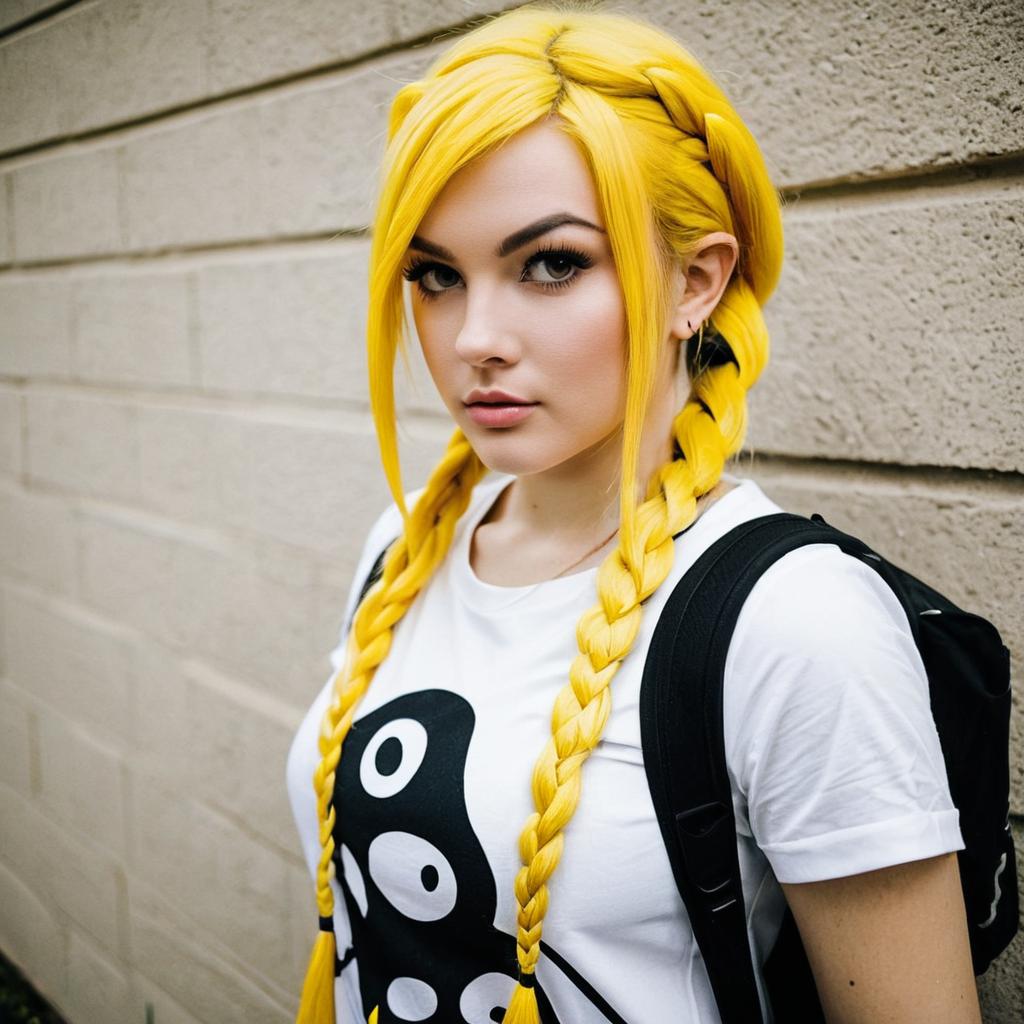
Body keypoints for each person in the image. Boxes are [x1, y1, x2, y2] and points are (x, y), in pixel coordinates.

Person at [286, 4, 981, 1022]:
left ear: (695, 280)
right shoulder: (400, 549)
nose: (473, 336)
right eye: (435, 275)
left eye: (551, 263)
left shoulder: (794, 622)